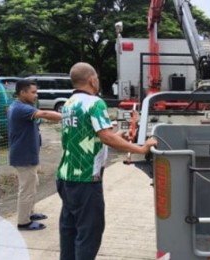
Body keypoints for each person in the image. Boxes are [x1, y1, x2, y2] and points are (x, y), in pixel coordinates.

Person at [56, 62, 158, 260]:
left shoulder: (69, 104)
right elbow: (107, 137)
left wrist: (118, 136)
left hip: (65, 177)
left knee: (69, 230)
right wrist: (141, 148)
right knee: (89, 234)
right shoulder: (95, 102)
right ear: (92, 80)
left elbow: (89, 135)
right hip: (86, 179)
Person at [7, 79, 62, 231]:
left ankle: (29, 213)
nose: (36, 95)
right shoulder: (21, 108)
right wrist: (67, 116)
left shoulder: (19, 106)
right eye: (33, 92)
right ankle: (23, 222)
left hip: (26, 155)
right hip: (23, 157)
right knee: (26, 189)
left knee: (32, 185)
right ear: (22, 92)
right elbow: (43, 114)